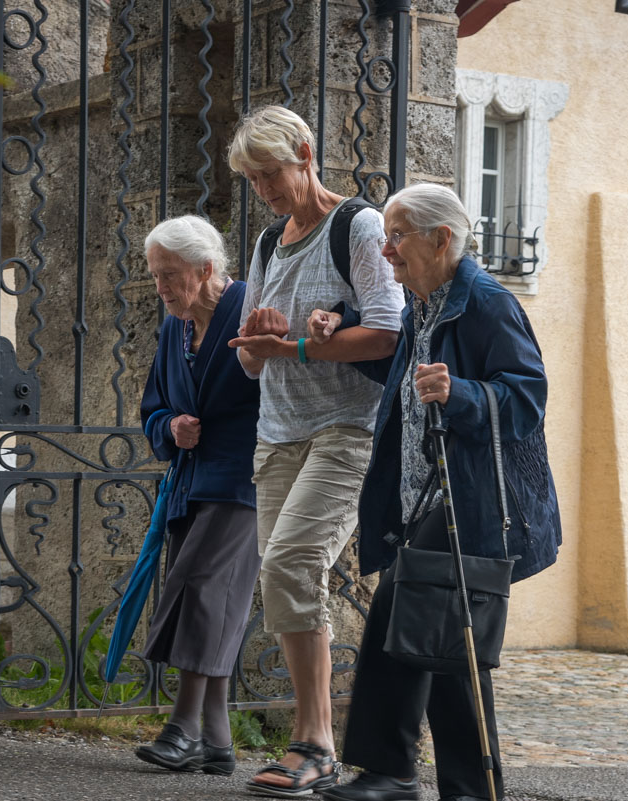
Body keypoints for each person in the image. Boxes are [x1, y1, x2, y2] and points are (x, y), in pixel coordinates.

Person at [309, 183, 562, 801]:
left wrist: (464, 394)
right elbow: (399, 372)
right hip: (426, 499)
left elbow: (527, 396)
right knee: (432, 641)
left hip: (468, 500)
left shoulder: (485, 303)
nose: (386, 249)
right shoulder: (421, 303)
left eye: (397, 236)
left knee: (434, 640)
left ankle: (407, 776)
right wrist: (341, 323)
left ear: (440, 239)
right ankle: (415, 777)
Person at [225, 105, 405, 797]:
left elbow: (387, 331)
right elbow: (249, 364)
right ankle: (314, 739)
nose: (264, 189)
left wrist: (296, 344)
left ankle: (316, 742)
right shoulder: (270, 243)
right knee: (282, 575)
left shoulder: (356, 226)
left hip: (345, 427)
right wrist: (261, 337)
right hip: (278, 432)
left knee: (294, 559)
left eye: (270, 173)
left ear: (305, 152)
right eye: (252, 180)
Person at [135, 215, 262, 777]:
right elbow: (153, 409)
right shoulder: (173, 329)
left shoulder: (250, 308)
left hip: (247, 478)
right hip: (192, 482)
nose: (160, 287)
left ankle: (183, 728)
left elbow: (282, 390)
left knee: (204, 587)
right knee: (213, 598)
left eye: (169, 275)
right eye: (155, 275)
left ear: (206, 270)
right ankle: (217, 741)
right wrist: (170, 429)